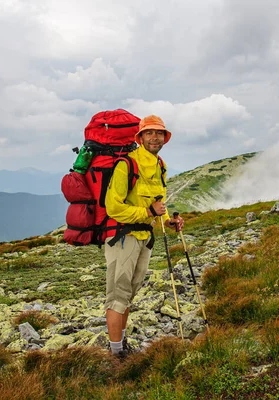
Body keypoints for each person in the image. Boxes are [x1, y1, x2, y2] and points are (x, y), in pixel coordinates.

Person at [103, 115, 184, 359]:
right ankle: (116, 356)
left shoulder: (160, 165)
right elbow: (113, 207)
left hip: (144, 238)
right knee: (118, 295)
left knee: (130, 292)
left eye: (159, 133)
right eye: (149, 133)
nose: (155, 137)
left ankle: (121, 345)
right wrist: (148, 212)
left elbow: (158, 201)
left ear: (165, 138)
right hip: (122, 237)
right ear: (140, 137)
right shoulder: (127, 165)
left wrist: (167, 220)